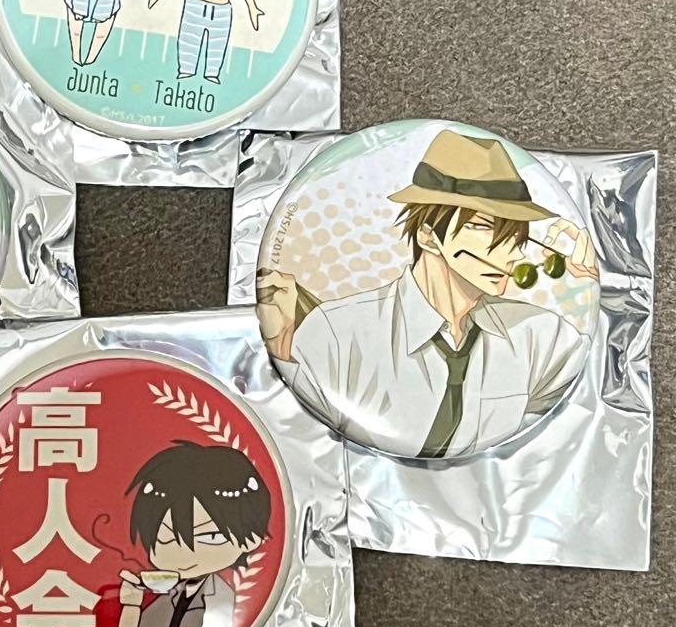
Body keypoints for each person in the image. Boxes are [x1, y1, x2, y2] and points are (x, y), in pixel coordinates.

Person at [256, 130, 600, 458]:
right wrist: (283, 349)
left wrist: (591, 279)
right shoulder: (338, 332)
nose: (511, 253)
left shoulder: (540, 337)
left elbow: (580, 411)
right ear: (428, 236)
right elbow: (297, 444)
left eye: (516, 234)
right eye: (484, 227)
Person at [116, 441, 270, 627]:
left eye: (210, 537)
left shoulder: (221, 595)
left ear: (251, 538)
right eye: (165, 540)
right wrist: (131, 603)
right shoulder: (170, 591)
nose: (184, 554)